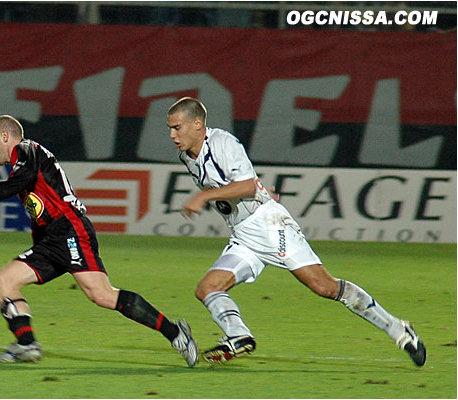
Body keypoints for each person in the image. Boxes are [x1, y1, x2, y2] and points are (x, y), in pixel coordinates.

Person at [165, 97, 426, 366]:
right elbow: (241, 184)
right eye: (170, 129)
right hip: (244, 235)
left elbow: (247, 186)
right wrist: (247, 191)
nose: (173, 135)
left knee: (324, 286)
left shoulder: (223, 143)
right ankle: (239, 336)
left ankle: (398, 329)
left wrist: (205, 197)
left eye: (177, 127)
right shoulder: (186, 156)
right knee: (207, 288)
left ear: (197, 124)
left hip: (268, 225)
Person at [0, 115, 198, 366]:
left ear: (4, 136)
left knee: (102, 295)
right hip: (53, 239)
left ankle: (176, 334)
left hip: (70, 230)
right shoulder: (22, 163)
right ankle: (26, 344)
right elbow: (39, 208)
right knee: (4, 281)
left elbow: (24, 178)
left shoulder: (26, 150)